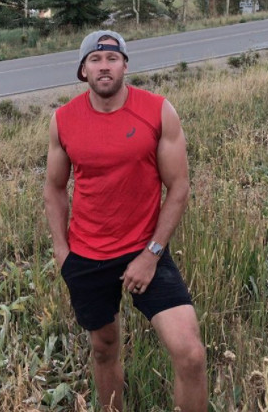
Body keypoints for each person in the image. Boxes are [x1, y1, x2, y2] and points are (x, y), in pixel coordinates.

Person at [43, 30, 207, 412]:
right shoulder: (63, 120)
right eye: (95, 60)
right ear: (83, 70)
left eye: (112, 59)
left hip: (146, 248)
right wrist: (62, 251)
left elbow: (179, 186)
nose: (105, 66)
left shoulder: (157, 110)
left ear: (125, 66)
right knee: (104, 348)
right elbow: (54, 188)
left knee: (191, 354)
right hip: (87, 256)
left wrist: (151, 254)